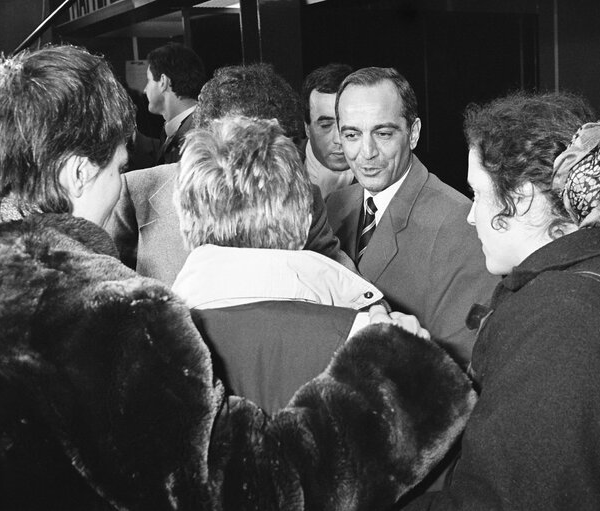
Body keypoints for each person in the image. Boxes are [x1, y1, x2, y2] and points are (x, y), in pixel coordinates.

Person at [0, 44, 479, 511]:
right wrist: (395, 377)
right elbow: (245, 488)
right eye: (115, 167)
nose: (120, 184)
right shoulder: (96, 318)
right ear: (77, 173)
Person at [406, 91, 600, 510]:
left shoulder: (558, 317)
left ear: (520, 197)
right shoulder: (592, 281)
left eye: (477, 193)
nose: (470, 215)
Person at [172, 115, 429, 413]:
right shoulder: (373, 342)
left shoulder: (144, 344)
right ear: (304, 217)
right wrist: (421, 368)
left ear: (184, 217)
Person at [106, 62, 355, 285]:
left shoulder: (303, 195)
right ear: (206, 137)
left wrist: (374, 309)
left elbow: (339, 272)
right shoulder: (137, 191)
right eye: (245, 150)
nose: (261, 164)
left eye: (272, 150)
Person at [326, 67, 498, 364]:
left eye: (383, 133)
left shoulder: (461, 224)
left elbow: (461, 364)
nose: (367, 152)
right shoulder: (333, 206)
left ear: (413, 133)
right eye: (352, 134)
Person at [144, 42, 205, 165]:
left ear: (163, 82)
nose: (145, 89)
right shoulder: (173, 131)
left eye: (148, 80)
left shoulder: (197, 138)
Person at [302, 63, 355, 199]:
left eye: (348, 125)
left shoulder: (387, 175)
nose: (339, 139)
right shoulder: (279, 169)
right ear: (307, 128)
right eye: (326, 125)